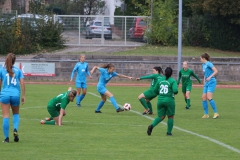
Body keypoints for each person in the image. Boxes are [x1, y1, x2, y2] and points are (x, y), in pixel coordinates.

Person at [0, 53, 25, 143]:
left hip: (4, 95)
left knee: (6, 116)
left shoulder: (2, 70)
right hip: (15, 95)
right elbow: (22, 83)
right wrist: (23, 95)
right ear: (14, 61)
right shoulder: (18, 70)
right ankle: (15, 129)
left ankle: (6, 138)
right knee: (16, 114)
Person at [147, 67, 178, 136]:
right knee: (170, 117)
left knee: (161, 116)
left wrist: (160, 94)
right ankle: (169, 132)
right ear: (171, 73)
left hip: (160, 100)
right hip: (169, 100)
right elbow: (175, 90)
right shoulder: (172, 81)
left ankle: (152, 125)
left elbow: (155, 90)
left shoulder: (160, 80)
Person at [200, 53, 219, 119]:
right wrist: (204, 80)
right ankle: (206, 114)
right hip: (207, 82)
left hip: (211, 81)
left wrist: (210, 77)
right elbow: (205, 74)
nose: (200, 59)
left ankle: (216, 113)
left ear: (203, 58)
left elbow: (216, 71)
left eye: (201, 58)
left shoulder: (209, 63)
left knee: (209, 97)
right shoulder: (203, 65)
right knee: (203, 97)